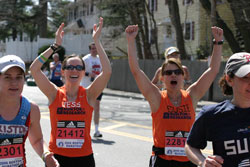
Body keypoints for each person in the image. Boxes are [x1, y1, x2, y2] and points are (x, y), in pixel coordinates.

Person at [125, 24, 223, 167]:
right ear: (162, 78)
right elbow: (136, 70)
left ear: (183, 77)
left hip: (188, 160)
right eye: (168, 73)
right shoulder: (157, 98)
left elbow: (213, 70)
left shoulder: (191, 96)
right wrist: (130, 41)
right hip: (162, 161)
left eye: (177, 72)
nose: (173, 75)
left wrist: (218, 42)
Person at [30, 17, 111, 166]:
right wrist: (55, 46)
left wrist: (97, 42)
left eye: (79, 67)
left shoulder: (89, 94)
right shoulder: (54, 93)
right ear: (63, 71)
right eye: (70, 67)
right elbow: (34, 70)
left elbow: (107, 71)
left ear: (83, 72)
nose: (74, 70)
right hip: (57, 158)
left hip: (84, 159)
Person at [185, 52, 250, 167]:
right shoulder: (213, 114)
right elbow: (190, 145)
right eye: (245, 77)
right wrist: (203, 161)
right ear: (229, 79)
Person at [0, 55, 59, 167]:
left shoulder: (31, 109)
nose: (14, 83)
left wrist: (46, 155)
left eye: (18, 77)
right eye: (7, 77)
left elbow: (37, 140)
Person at [80, 42, 103, 138]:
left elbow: (103, 71)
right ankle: (83, 129)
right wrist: (89, 74)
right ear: (90, 50)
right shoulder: (86, 59)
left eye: (96, 48)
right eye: (92, 48)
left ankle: (97, 130)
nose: (94, 50)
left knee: (96, 108)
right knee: (85, 109)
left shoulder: (100, 59)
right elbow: (80, 70)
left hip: (97, 87)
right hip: (86, 87)